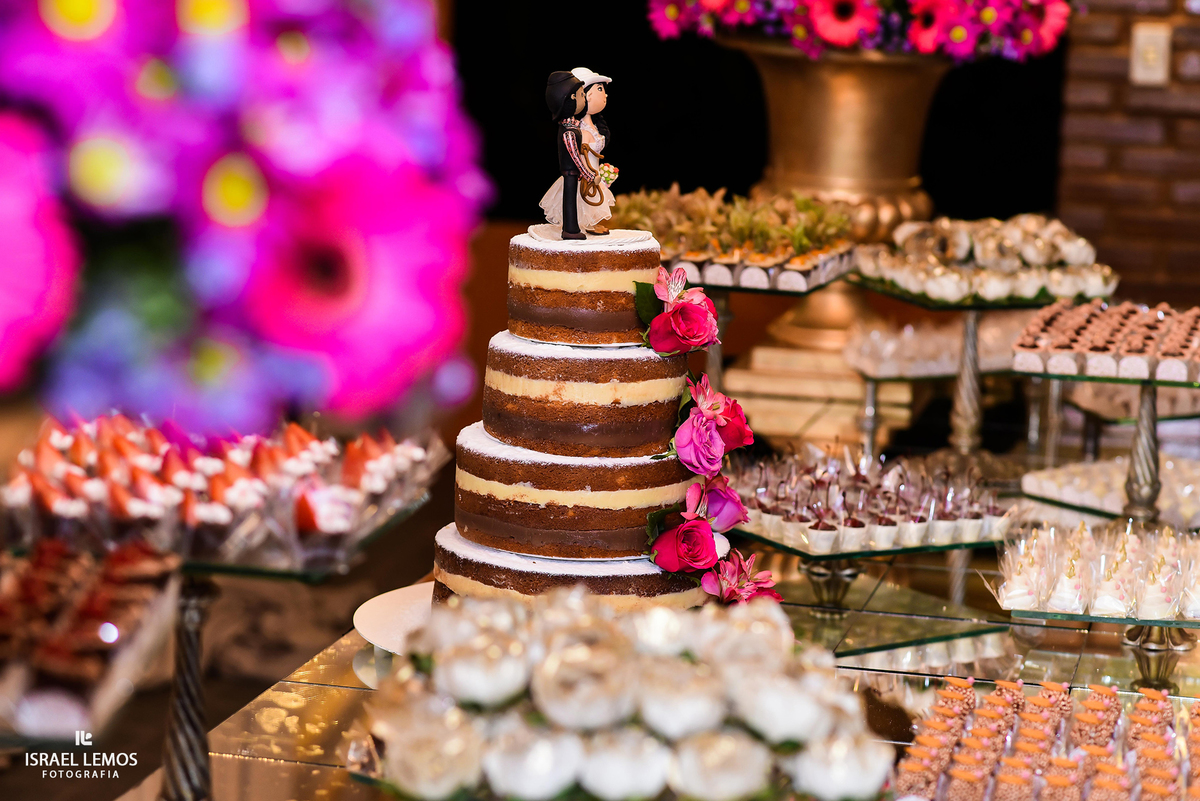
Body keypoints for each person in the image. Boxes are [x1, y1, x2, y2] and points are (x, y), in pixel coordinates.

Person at [541, 68, 615, 238]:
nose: (605, 95)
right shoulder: (572, 130)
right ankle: (572, 229)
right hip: (580, 173)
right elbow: (575, 154)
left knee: (588, 201)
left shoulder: (581, 127)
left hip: (590, 173)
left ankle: (585, 225)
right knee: (575, 199)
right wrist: (588, 174)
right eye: (599, 89)